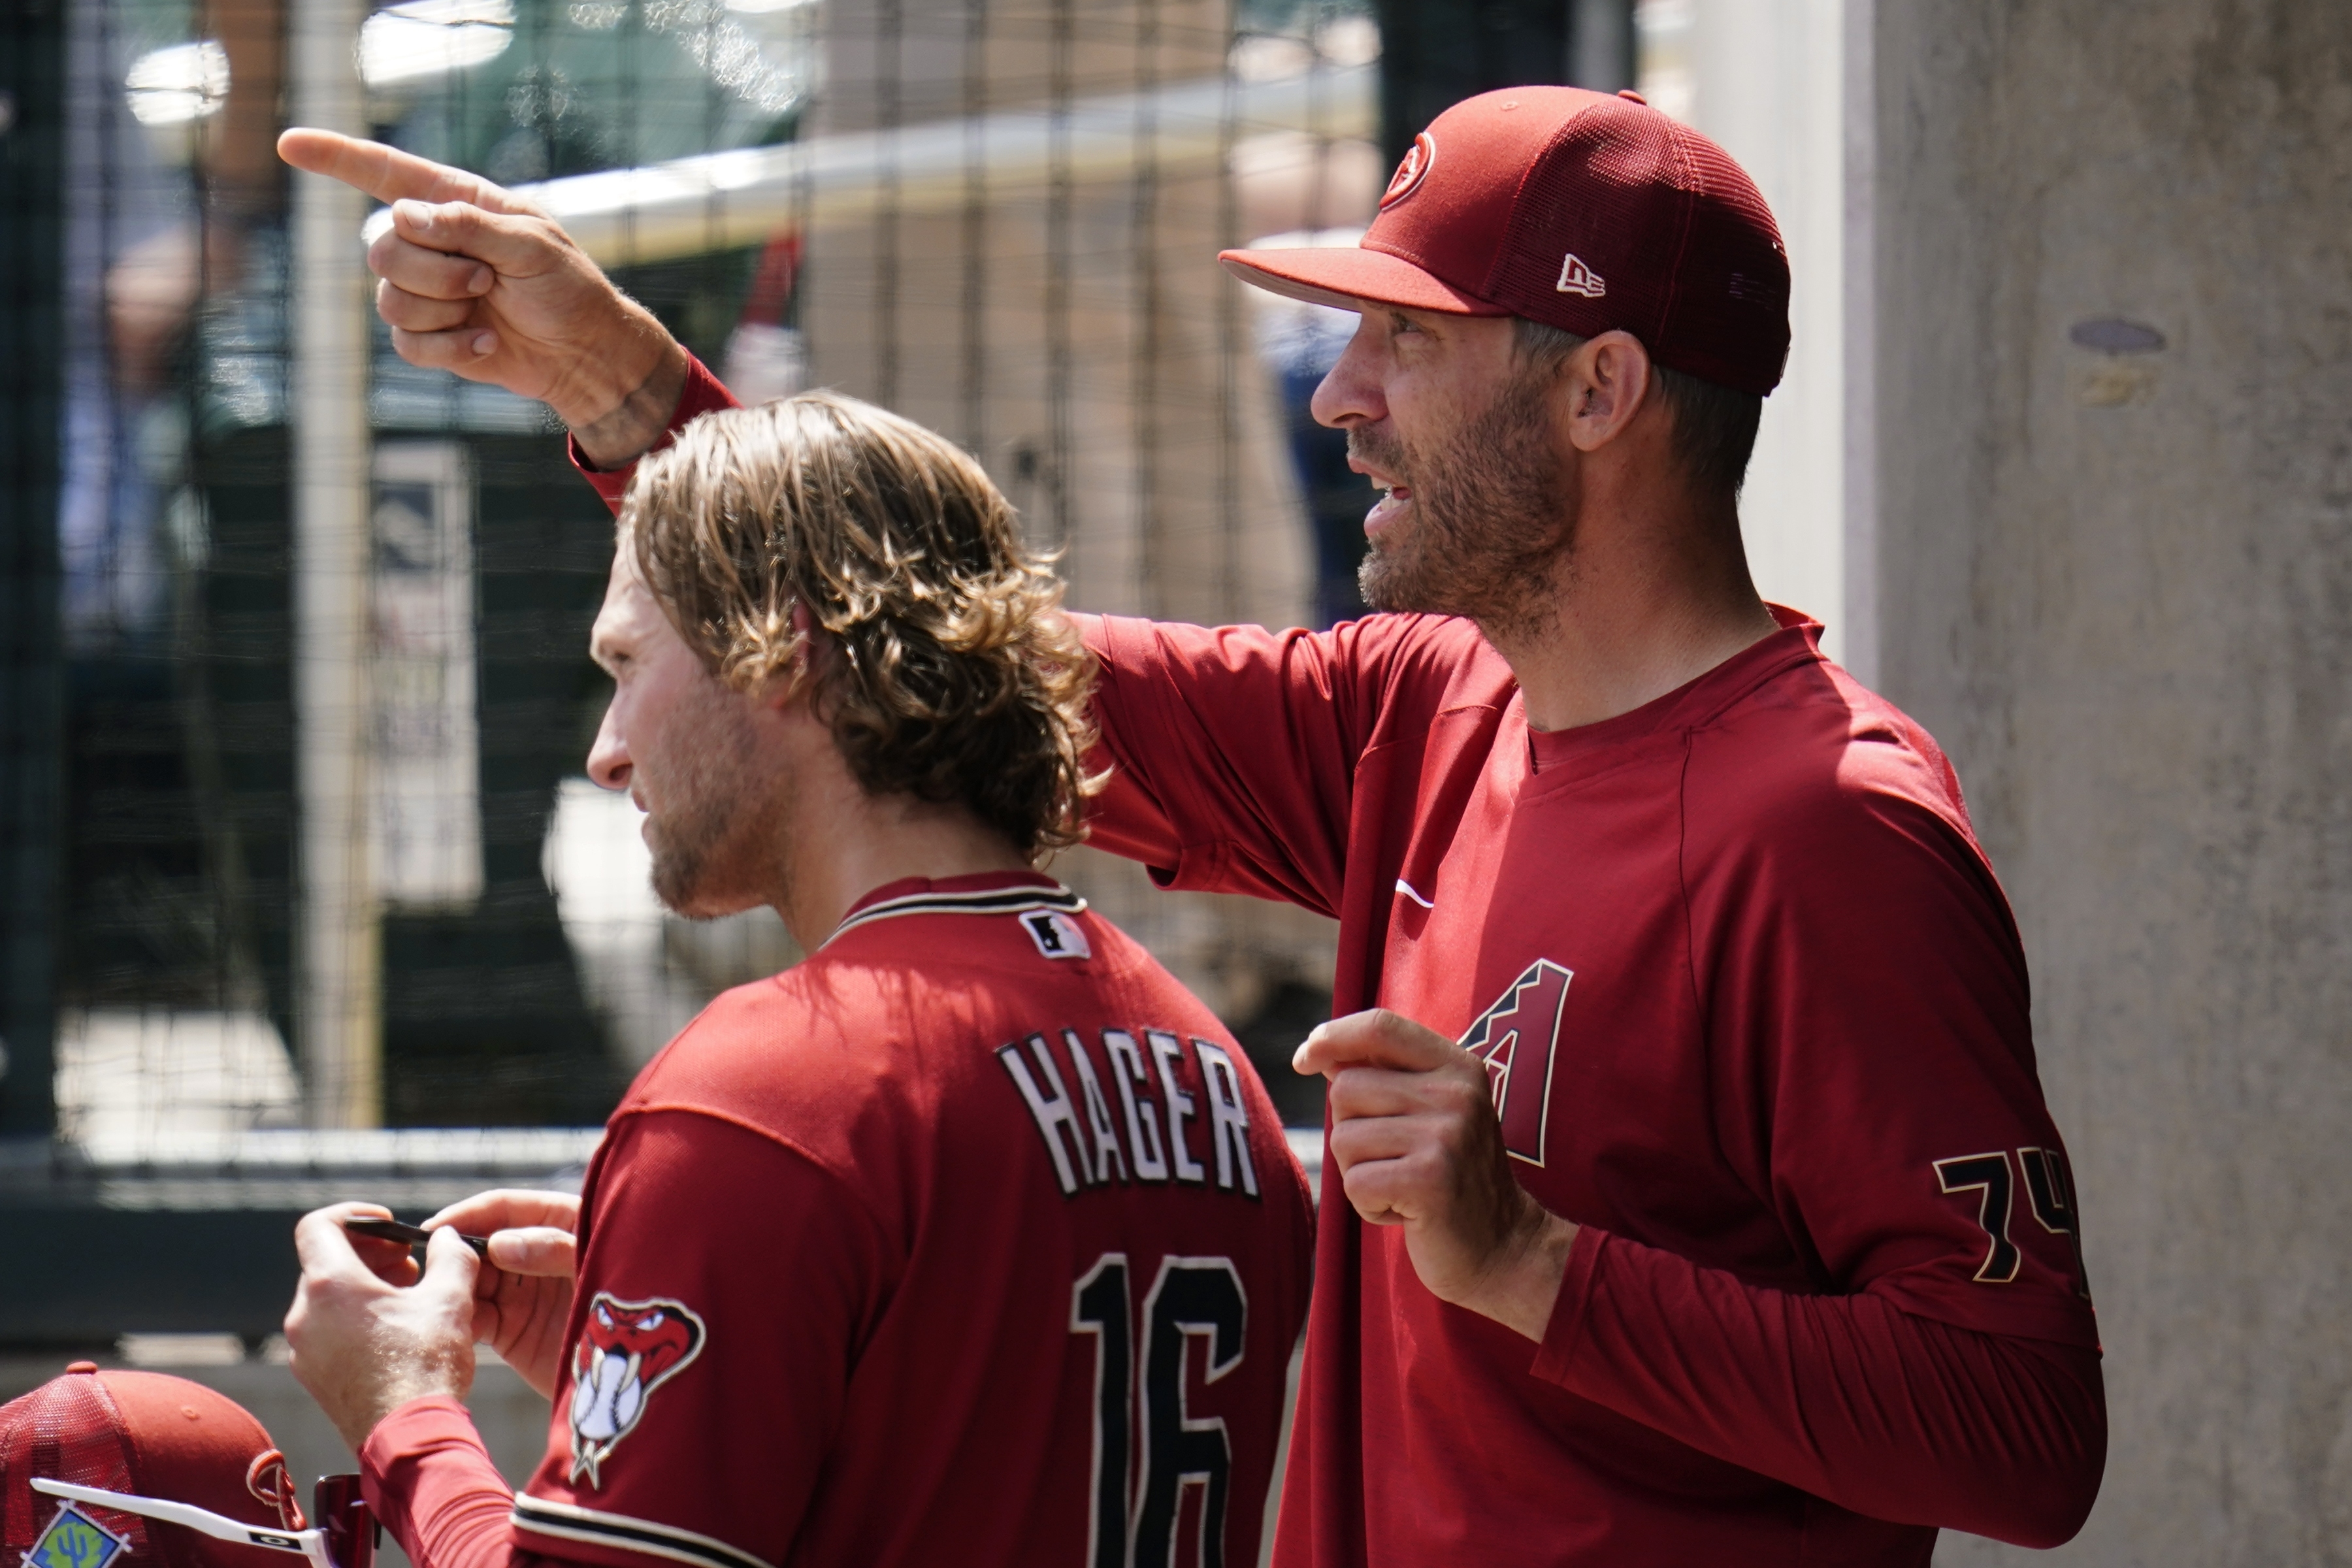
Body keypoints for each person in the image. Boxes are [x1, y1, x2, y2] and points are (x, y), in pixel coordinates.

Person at [280, 81, 2106, 1567]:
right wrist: (621, 386)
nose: (1340, 400)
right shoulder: (1431, 707)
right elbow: (914, 665)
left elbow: (2024, 1438)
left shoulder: (1835, 828)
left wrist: (1541, 1268)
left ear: (1599, 389)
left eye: (1405, 340)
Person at [280, 393, 1314, 1568]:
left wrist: (404, 1415)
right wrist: (673, 1365)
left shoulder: (765, 1097)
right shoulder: (1208, 1067)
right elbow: (962, 1446)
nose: (606, 748)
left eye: (628, 664)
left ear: (778, 646)